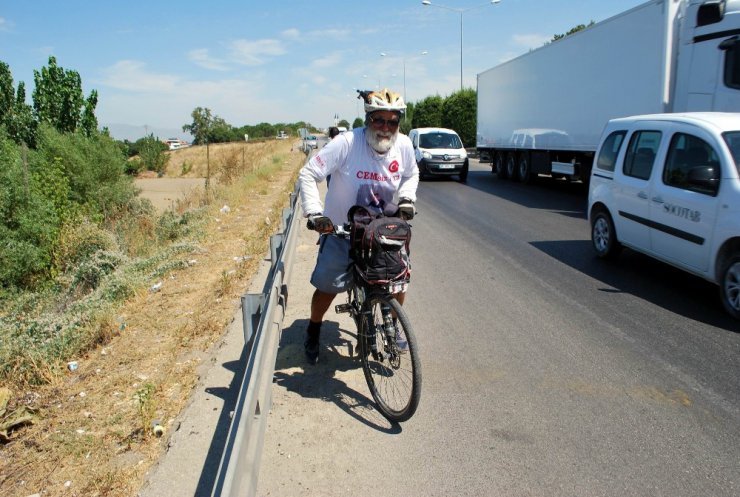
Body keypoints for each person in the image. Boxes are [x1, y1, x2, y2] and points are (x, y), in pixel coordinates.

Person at [298, 88, 419, 364]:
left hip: (381, 232)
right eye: (379, 120)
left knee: (398, 282)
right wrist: (316, 214)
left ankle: (393, 325)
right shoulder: (346, 143)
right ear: (368, 119)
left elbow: (412, 173)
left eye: (392, 122)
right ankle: (314, 330)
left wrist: (408, 198)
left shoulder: (403, 145)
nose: (386, 128)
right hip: (341, 231)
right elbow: (309, 173)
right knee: (328, 287)